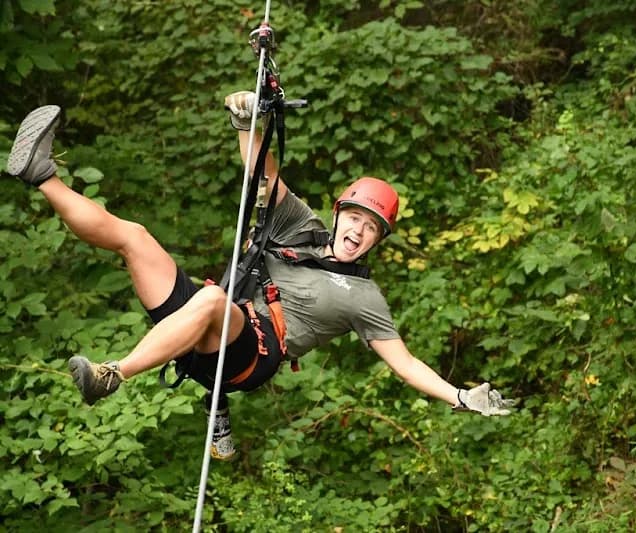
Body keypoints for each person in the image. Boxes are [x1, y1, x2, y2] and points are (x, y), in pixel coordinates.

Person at [5, 96, 515, 460]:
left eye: (371, 228)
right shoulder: (304, 228)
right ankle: (41, 173)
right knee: (135, 237)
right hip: (210, 322)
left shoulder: (364, 297)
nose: (359, 231)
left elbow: (403, 362)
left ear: (379, 240)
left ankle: (111, 374)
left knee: (208, 302)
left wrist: (460, 396)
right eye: (355, 218)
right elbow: (264, 177)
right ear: (340, 214)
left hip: (253, 352)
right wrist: (247, 122)